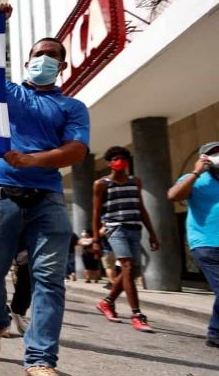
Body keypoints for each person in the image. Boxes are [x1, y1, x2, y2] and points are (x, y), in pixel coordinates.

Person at [0, 5, 90, 376]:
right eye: (39, 53)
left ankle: (40, 362)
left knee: (49, 281)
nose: (45, 59)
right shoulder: (7, 93)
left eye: (53, 55)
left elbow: (75, 150)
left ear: (62, 66)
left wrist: (33, 160)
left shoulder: (71, 107)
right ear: (26, 61)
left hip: (47, 200)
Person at [92, 146, 159, 332]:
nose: (119, 161)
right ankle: (137, 315)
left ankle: (107, 302)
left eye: (123, 158)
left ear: (128, 161)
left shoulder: (135, 181)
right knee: (127, 267)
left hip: (135, 228)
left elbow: (142, 208)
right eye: (115, 158)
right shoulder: (101, 184)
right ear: (109, 162)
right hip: (115, 229)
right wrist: (96, 239)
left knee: (133, 271)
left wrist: (152, 233)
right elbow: (96, 212)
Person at [168, 141, 219, 348]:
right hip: (206, 244)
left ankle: (215, 332)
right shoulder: (194, 180)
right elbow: (173, 195)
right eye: (212, 154)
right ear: (203, 159)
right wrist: (196, 173)